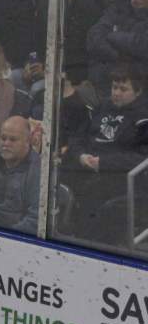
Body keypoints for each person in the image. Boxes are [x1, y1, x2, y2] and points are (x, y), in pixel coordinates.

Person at [58, 65, 148, 242]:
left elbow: (141, 158)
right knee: (54, 176)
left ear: (138, 92)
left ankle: (82, 241)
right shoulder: (103, 106)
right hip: (87, 167)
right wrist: (81, 156)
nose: (117, 93)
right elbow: (79, 137)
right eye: (114, 87)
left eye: (123, 89)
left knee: (91, 191)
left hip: (119, 177)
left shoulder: (143, 117)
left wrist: (103, 163)